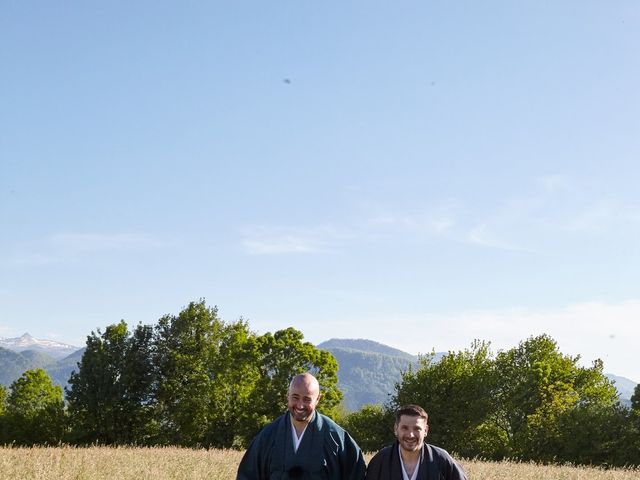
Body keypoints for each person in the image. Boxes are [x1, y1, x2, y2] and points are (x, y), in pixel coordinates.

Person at [237, 372, 366, 480]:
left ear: (318, 399)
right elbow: (248, 475)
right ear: (287, 396)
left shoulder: (336, 438)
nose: (300, 405)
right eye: (295, 397)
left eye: (307, 399)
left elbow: (357, 474)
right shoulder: (267, 436)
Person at [365, 405, 467, 480]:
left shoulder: (442, 460)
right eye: (404, 428)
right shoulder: (380, 461)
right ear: (396, 429)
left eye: (417, 429)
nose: (410, 435)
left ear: (425, 431)